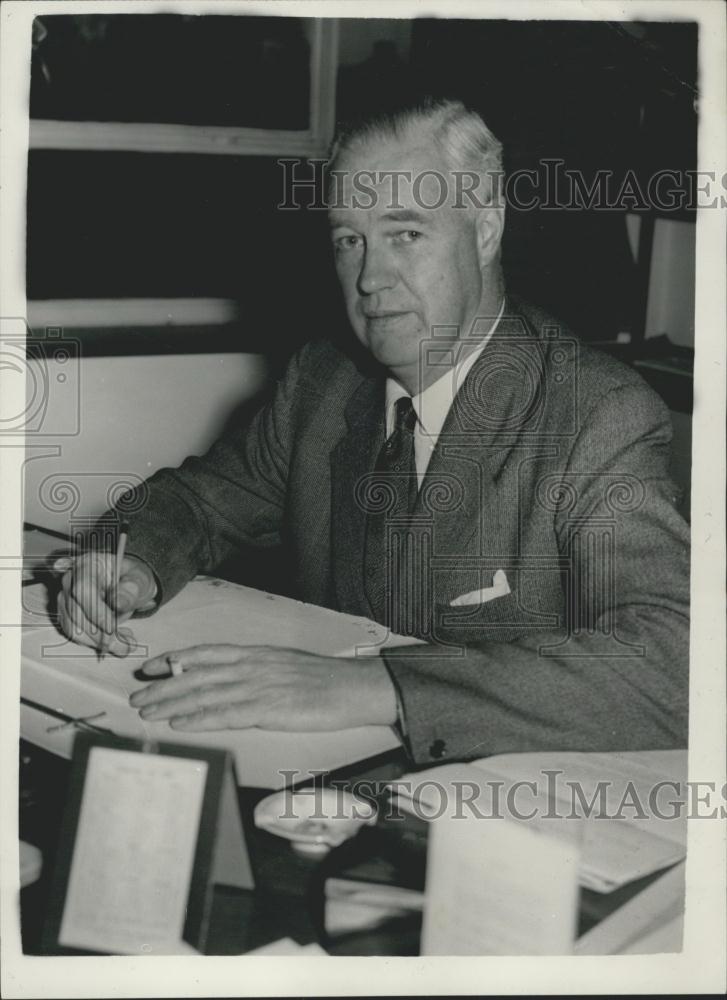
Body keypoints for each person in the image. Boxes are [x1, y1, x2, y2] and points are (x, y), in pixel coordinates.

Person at [57, 100, 689, 764]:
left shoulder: (594, 413)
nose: (369, 278)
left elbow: (674, 662)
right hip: (321, 777)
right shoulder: (325, 382)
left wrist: (380, 687)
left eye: (405, 234)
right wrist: (130, 561)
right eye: (348, 240)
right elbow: (199, 501)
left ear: (484, 230)